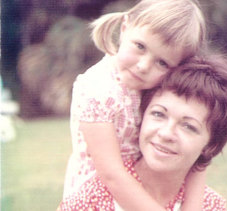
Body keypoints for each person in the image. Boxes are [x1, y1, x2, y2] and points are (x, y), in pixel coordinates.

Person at [62, 0, 207, 210]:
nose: (143, 66)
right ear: (124, 28)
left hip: (150, 190)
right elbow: (111, 175)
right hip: (100, 198)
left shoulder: (162, 89)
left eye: (162, 62)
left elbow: (199, 156)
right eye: (140, 46)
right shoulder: (97, 89)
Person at [58, 53, 227, 210]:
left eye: (188, 126)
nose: (166, 133)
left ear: (211, 144)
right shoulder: (90, 201)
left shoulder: (210, 206)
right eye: (158, 114)